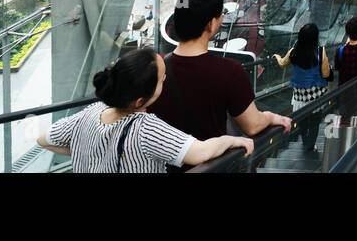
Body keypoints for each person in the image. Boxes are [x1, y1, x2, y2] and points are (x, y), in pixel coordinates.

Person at [37, 47, 252, 173]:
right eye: (161, 80)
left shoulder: (90, 113)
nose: (166, 79)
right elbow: (201, 152)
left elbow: (43, 140)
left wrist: (86, 150)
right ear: (141, 100)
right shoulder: (145, 129)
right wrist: (232, 140)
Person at [149, 0, 291, 149]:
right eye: (221, 14)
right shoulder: (229, 71)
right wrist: (271, 117)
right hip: (212, 163)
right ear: (211, 24)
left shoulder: (154, 68)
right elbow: (253, 125)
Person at [273, 23, 332, 150]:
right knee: (315, 121)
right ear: (315, 37)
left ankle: (306, 142)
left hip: (300, 97)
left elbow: (283, 64)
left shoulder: (293, 52)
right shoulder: (321, 51)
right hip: (316, 95)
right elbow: (326, 73)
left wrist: (278, 57)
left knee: (303, 121)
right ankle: (310, 145)